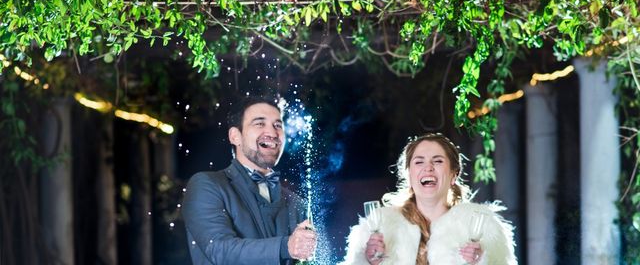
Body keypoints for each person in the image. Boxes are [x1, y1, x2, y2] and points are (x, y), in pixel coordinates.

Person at [339, 133, 517, 265]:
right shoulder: (379, 226)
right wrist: (368, 261)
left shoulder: (482, 228)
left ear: (454, 175)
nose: (428, 168)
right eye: (419, 162)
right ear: (409, 175)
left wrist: (480, 262)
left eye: (438, 161)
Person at [182, 96, 317, 265]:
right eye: (259, 123)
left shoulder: (297, 204)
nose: (272, 132)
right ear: (234, 136)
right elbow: (220, 250)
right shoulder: (207, 185)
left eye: (277, 125)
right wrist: (285, 246)